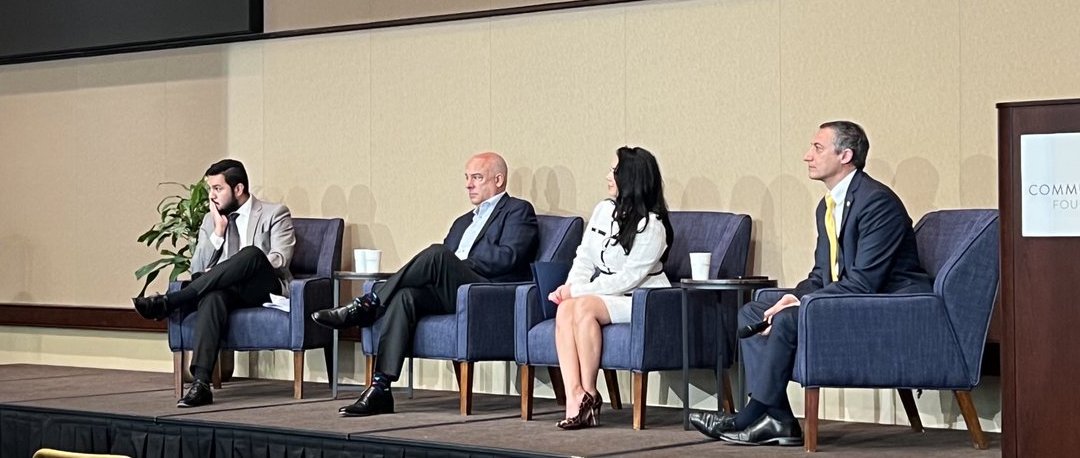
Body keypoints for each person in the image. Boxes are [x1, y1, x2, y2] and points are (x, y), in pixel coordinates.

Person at [690, 121, 931, 446]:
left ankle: (749, 415)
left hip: (887, 310)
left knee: (789, 319)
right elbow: (821, 276)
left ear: (845, 155)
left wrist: (801, 304)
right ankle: (780, 422)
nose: (807, 156)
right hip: (852, 301)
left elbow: (864, 282)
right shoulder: (827, 206)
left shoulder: (877, 204)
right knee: (754, 312)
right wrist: (793, 296)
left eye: (817, 148)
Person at [312, 152, 538, 417]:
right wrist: (450, 264)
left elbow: (510, 255)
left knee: (437, 253)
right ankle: (380, 389)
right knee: (405, 295)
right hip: (454, 291)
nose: (468, 185)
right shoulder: (463, 221)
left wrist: (458, 264)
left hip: (487, 293)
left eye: (477, 178)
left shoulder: (517, 210)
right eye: (467, 178)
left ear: (499, 180)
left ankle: (369, 303)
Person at [132, 159, 296, 408]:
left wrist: (238, 267)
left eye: (218, 189)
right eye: (210, 189)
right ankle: (201, 384)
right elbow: (198, 268)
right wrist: (218, 233)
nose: (212, 196)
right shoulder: (212, 220)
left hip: (265, 286)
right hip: (229, 290)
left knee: (251, 253)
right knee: (212, 296)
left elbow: (280, 258)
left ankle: (174, 301)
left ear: (238, 189)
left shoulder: (275, 213)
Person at [550, 146, 673, 430]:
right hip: (603, 294)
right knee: (566, 309)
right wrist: (570, 287)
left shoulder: (653, 227)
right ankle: (575, 397)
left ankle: (591, 392)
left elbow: (627, 279)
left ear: (631, 177)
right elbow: (584, 256)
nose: (608, 176)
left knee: (581, 305)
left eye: (614, 171)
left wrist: (579, 293)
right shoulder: (603, 210)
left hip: (641, 299)